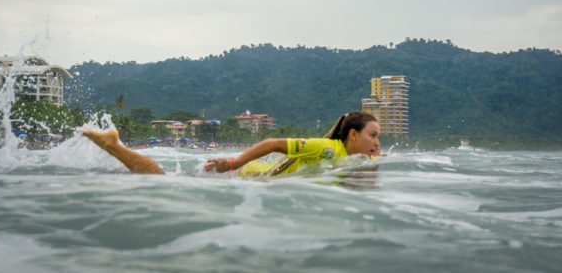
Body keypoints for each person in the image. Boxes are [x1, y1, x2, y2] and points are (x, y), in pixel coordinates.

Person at [81, 112, 380, 176]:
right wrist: (233, 164)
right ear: (353, 134)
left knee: (168, 181)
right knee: (163, 181)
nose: (377, 142)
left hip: (250, 176)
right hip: (242, 176)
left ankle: (112, 145)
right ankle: (113, 145)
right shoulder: (328, 148)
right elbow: (273, 141)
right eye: (374, 135)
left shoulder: (345, 156)